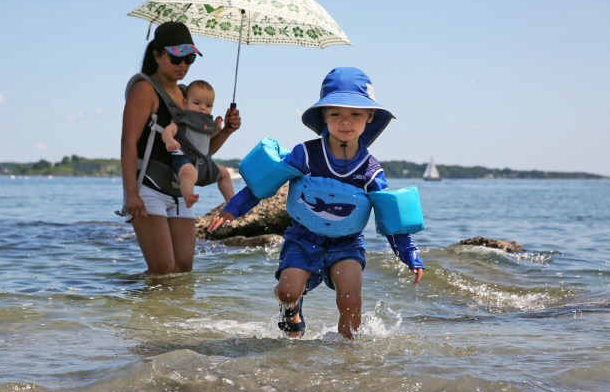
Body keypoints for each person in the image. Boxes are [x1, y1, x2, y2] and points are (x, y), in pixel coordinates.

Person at [208, 67, 424, 339]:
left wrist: (409, 255)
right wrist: (233, 209)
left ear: (370, 117)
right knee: (287, 292)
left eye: (355, 114)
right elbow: (264, 183)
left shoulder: (371, 171)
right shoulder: (305, 155)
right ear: (324, 115)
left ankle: (350, 359)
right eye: (336, 114)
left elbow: (392, 220)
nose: (345, 122)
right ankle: (292, 308)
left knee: (350, 299)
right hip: (302, 237)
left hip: (346, 243)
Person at [121, 21, 241, 275]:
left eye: (189, 58)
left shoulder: (188, 95)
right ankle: (128, 308)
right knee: (163, 268)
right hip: (149, 189)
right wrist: (131, 193)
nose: (183, 65)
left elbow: (201, 152)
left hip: (179, 191)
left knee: (183, 268)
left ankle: (168, 315)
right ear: (156, 54)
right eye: (176, 57)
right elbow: (128, 142)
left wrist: (227, 130)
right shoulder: (145, 89)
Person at [160, 79, 235, 208]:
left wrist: (217, 129)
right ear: (185, 103)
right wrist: (169, 140)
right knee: (189, 173)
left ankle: (232, 202)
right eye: (196, 103)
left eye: (208, 105)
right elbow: (168, 131)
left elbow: (207, 139)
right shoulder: (182, 120)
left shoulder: (207, 123)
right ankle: (188, 196)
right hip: (185, 161)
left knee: (224, 174)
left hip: (205, 164)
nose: (202, 108)